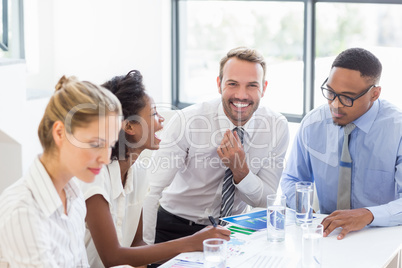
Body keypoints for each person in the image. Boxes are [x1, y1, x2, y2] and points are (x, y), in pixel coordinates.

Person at [79, 70, 230, 268]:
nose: (161, 121)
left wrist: (195, 252)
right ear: (130, 127)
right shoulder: (95, 177)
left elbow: (137, 245)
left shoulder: (139, 172)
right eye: (153, 114)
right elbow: (112, 257)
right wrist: (191, 242)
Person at [143, 47, 290, 245]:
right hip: (175, 229)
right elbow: (152, 191)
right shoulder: (188, 121)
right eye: (233, 84)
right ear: (219, 84)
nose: (241, 95)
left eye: (252, 86)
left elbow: (265, 201)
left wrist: (242, 172)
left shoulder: (276, 126)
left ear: (263, 88)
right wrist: (144, 252)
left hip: (234, 231)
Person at [280, 47, 402, 240]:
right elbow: (292, 179)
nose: (335, 105)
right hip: (326, 235)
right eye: (330, 92)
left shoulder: (398, 129)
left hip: (380, 235)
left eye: (347, 97)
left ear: (375, 94)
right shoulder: (313, 124)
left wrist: (369, 214)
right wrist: (303, 208)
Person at [0, 76, 122, 267]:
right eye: (96, 144)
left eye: (110, 145)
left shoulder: (74, 195)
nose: (106, 159)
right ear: (60, 133)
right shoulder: (23, 211)